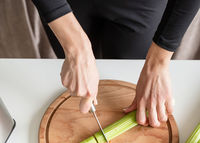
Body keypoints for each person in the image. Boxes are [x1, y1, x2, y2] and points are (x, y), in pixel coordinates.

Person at [32, 0, 200, 127]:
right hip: (65, 5)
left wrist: (158, 62)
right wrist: (76, 47)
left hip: (142, 5)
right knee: (77, 71)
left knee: (125, 70)